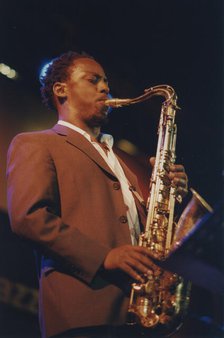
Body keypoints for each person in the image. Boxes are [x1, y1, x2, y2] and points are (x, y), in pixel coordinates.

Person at [6, 51, 188, 338]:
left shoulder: (120, 164)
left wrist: (167, 195)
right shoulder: (36, 143)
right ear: (61, 90)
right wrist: (104, 256)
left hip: (137, 313)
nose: (105, 88)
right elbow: (29, 218)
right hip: (82, 313)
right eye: (93, 80)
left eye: (105, 82)